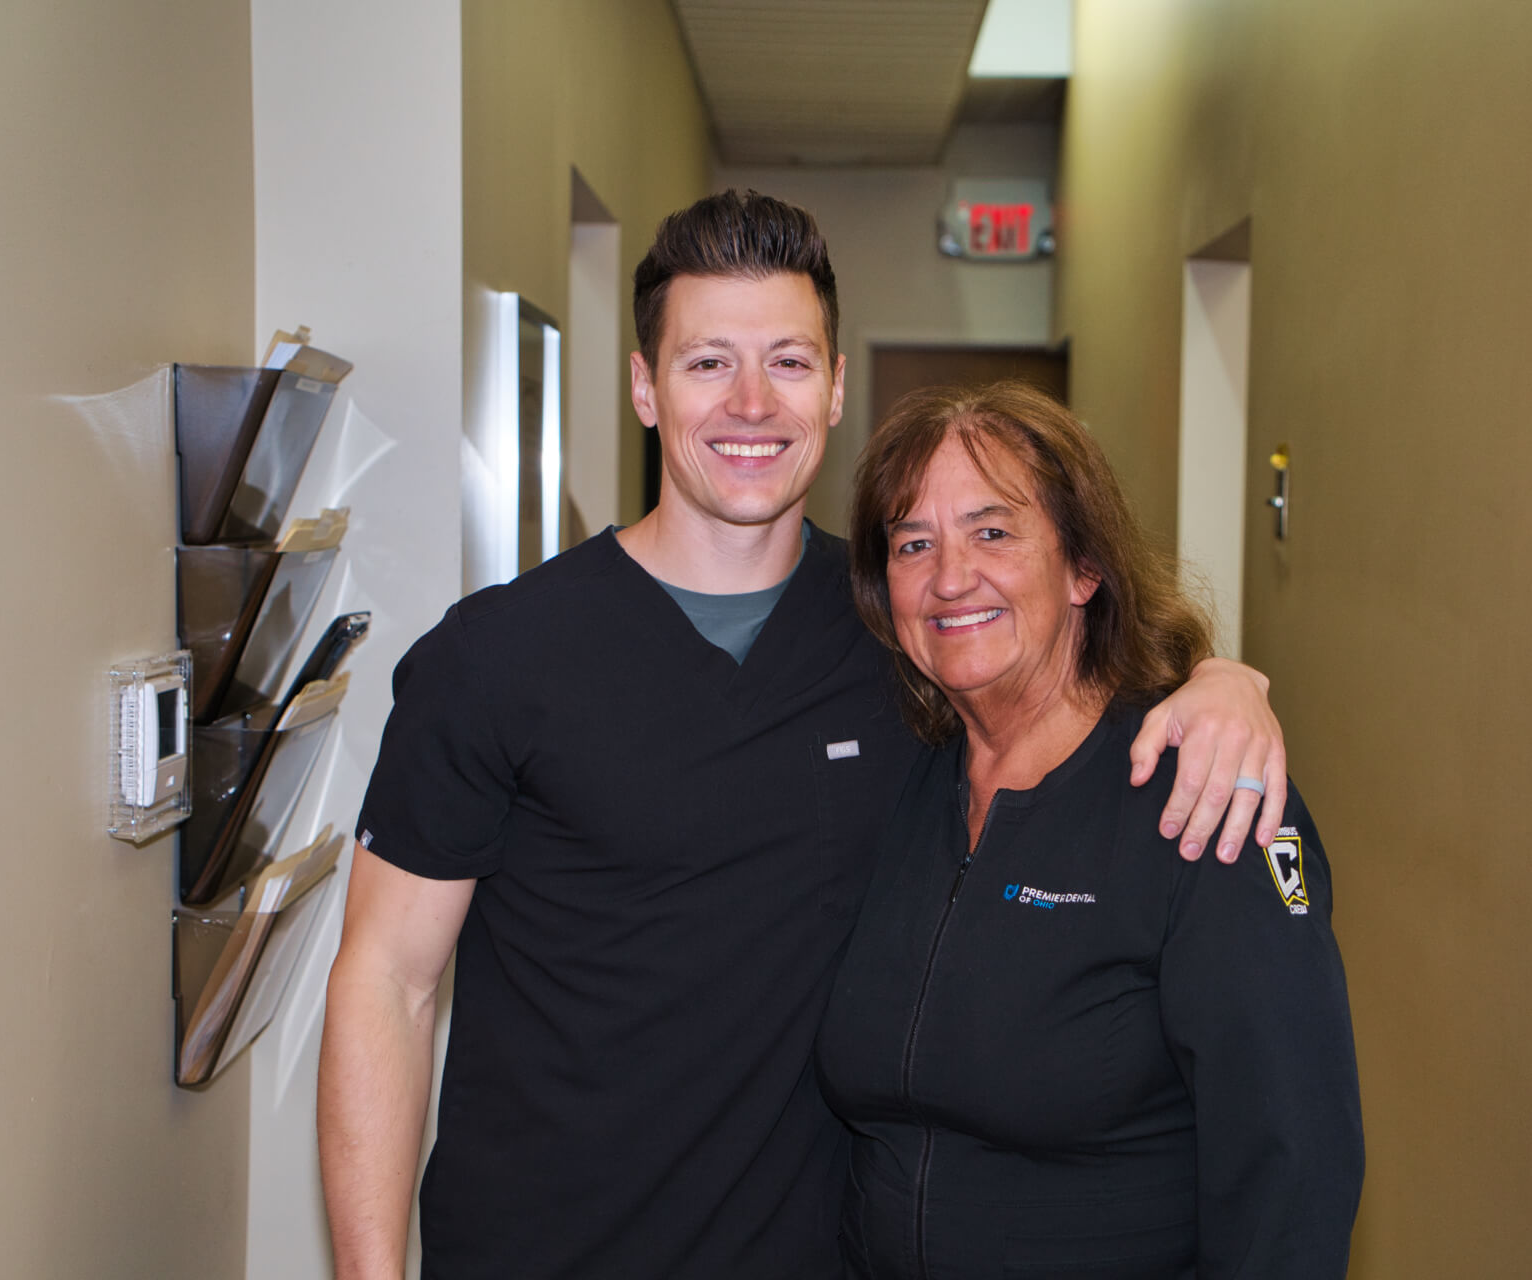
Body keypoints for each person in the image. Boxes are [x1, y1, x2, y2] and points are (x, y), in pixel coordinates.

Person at [319, 191, 1294, 1280]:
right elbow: (386, 982)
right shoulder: (496, 658)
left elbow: (1070, 673)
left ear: (835, 389)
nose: (750, 403)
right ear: (645, 387)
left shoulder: (904, 630)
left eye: (787, 361)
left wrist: (1220, 679)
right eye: (706, 364)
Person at [816, 381, 1364, 1279]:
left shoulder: (1202, 800)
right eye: (914, 543)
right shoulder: (899, 781)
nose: (950, 577)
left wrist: (1229, 680)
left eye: (993, 532)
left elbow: (1292, 1168)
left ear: (1085, 568)